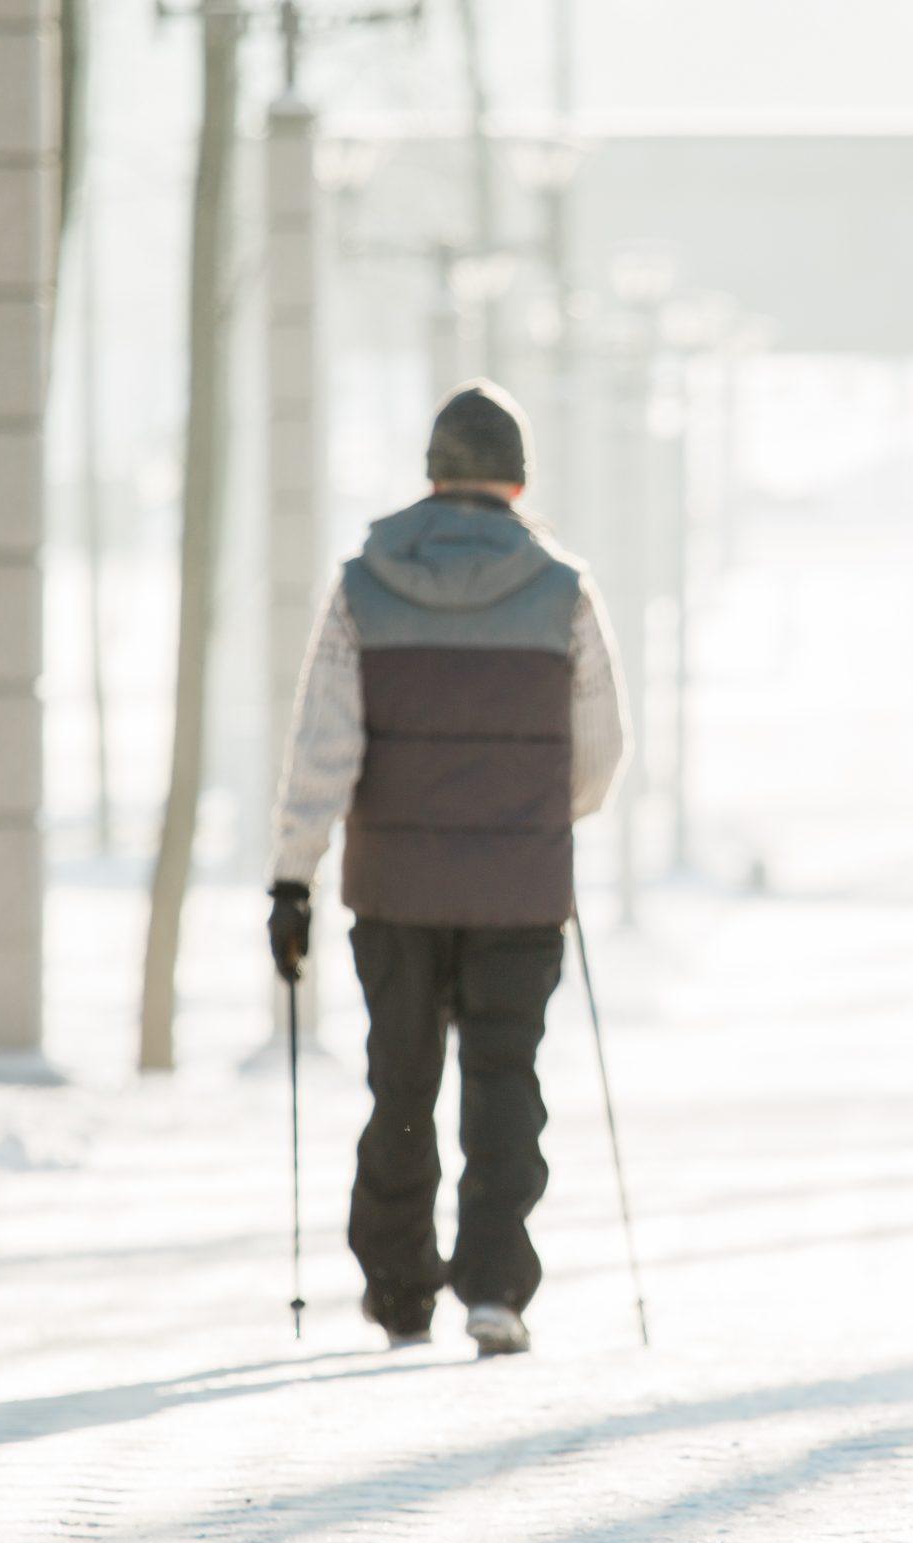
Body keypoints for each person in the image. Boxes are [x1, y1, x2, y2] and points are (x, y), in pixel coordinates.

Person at [268, 380, 629, 1358]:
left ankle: (396, 1292)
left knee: (402, 1081)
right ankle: (494, 1289)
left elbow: (321, 749)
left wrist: (292, 877)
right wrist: (544, 820)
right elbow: (599, 748)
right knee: (503, 1078)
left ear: (432, 478)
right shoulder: (564, 592)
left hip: (395, 891)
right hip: (520, 891)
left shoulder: (360, 588)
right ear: (517, 483)